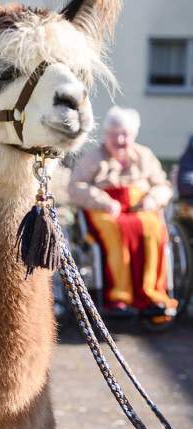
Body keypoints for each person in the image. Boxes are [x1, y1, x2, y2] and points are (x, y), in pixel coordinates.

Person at [68, 106, 176, 321]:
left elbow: (163, 185)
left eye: (124, 134)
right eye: (114, 134)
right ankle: (119, 296)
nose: (119, 139)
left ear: (133, 135)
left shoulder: (144, 155)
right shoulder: (93, 157)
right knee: (116, 229)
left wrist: (152, 198)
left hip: (139, 208)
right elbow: (75, 186)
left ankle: (151, 294)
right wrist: (103, 201)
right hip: (105, 209)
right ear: (106, 134)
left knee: (153, 228)